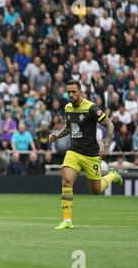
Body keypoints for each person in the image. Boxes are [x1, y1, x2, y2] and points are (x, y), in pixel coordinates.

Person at [48, 80, 123, 230]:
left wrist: (106, 146)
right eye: (68, 92)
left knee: (95, 191)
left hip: (90, 155)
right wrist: (57, 135)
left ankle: (112, 175)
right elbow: (69, 127)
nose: (71, 95)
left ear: (80, 92)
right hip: (73, 152)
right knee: (66, 182)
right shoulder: (68, 108)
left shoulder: (91, 108)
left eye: (74, 92)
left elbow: (109, 124)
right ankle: (67, 221)